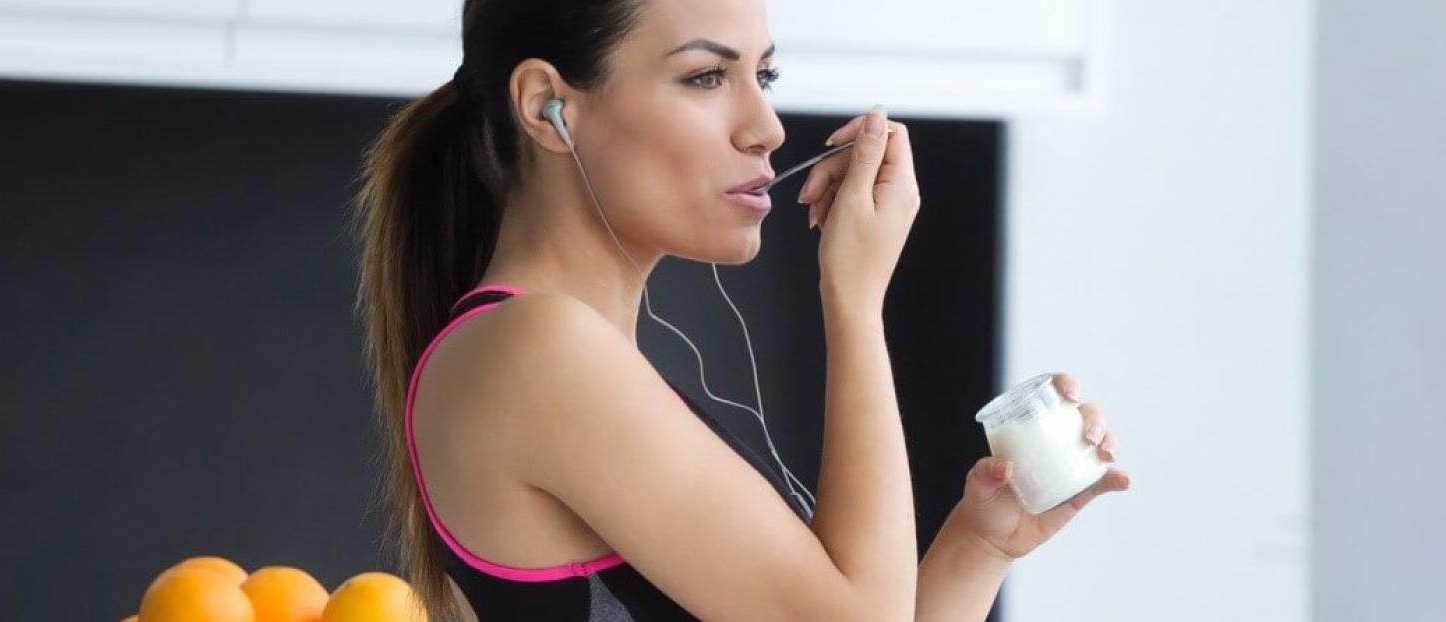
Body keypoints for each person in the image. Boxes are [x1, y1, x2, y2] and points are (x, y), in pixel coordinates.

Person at [351, 0, 1130, 619]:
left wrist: (980, 544)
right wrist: (854, 302)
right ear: (549, 105)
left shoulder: (570, 358)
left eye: (765, 75)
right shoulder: (534, 349)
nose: (768, 128)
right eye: (705, 78)